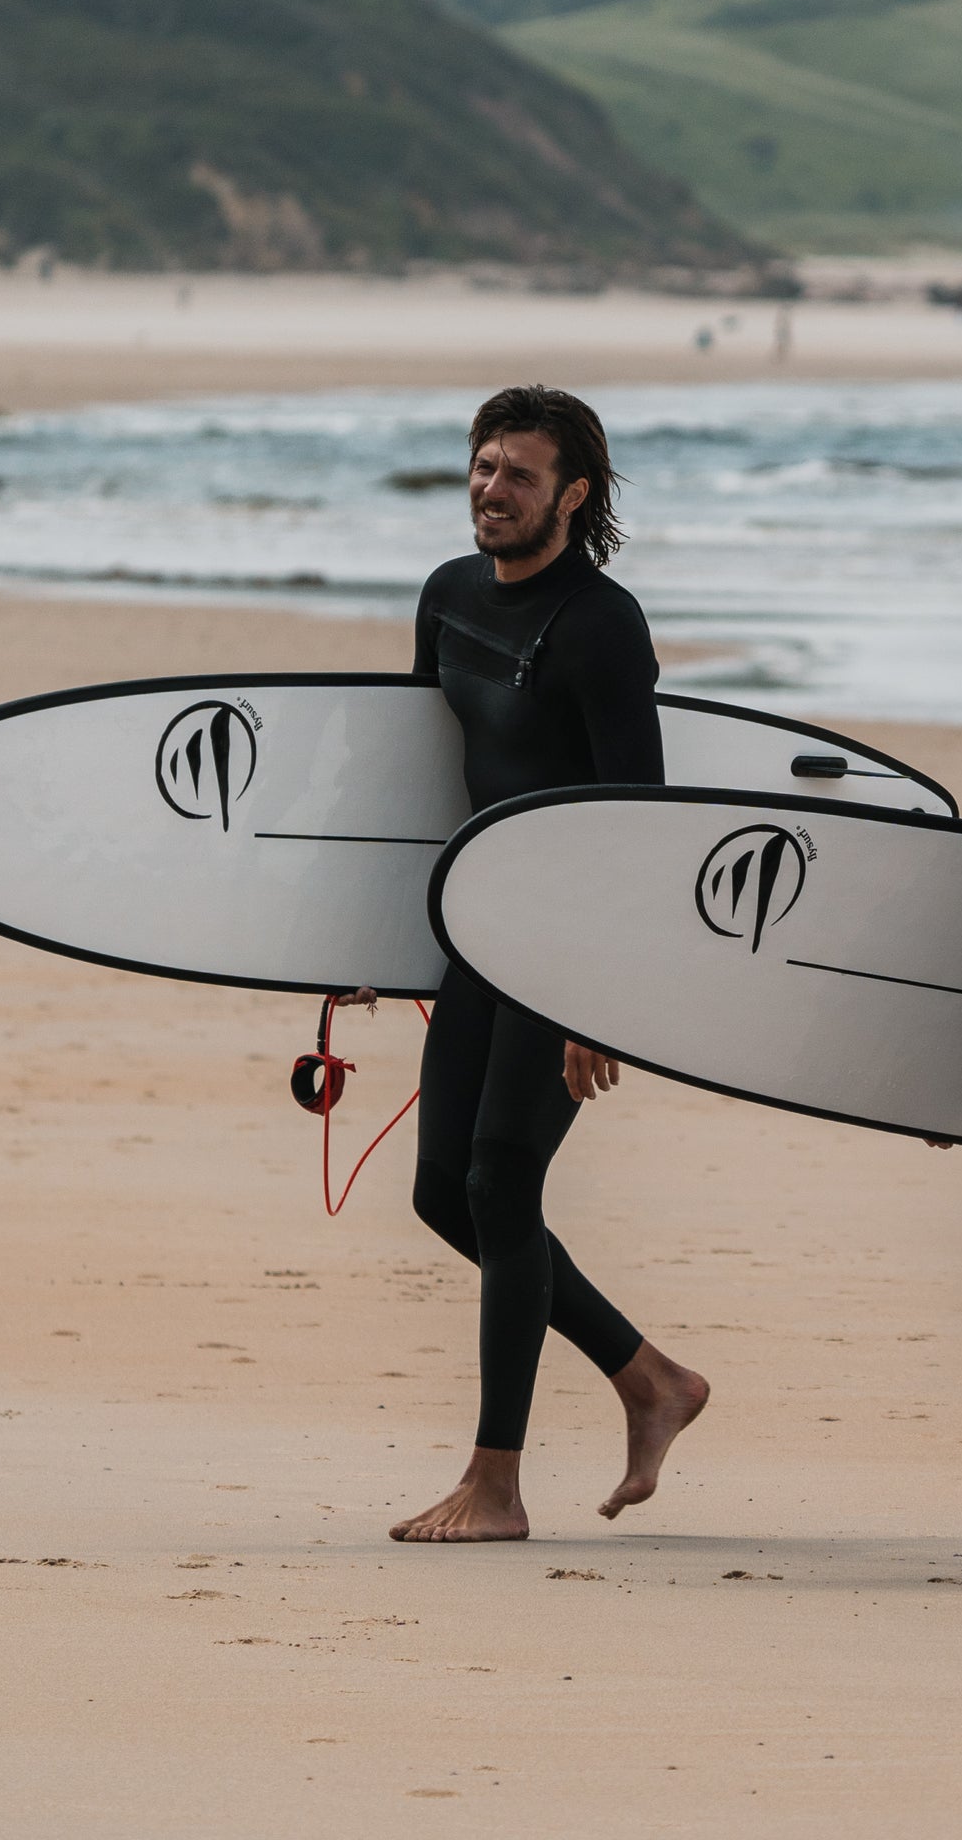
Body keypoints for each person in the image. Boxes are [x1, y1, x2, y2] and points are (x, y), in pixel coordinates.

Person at [391, 385, 709, 1544]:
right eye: (481, 467)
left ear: (573, 495)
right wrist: (379, 941)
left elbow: (638, 816)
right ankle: (650, 1379)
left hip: (566, 940)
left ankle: (498, 1481)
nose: (490, 490)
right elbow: (421, 775)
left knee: (500, 1184)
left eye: (517, 475)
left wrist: (598, 992)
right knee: (443, 1190)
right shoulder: (447, 597)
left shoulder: (601, 625)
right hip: (480, 929)